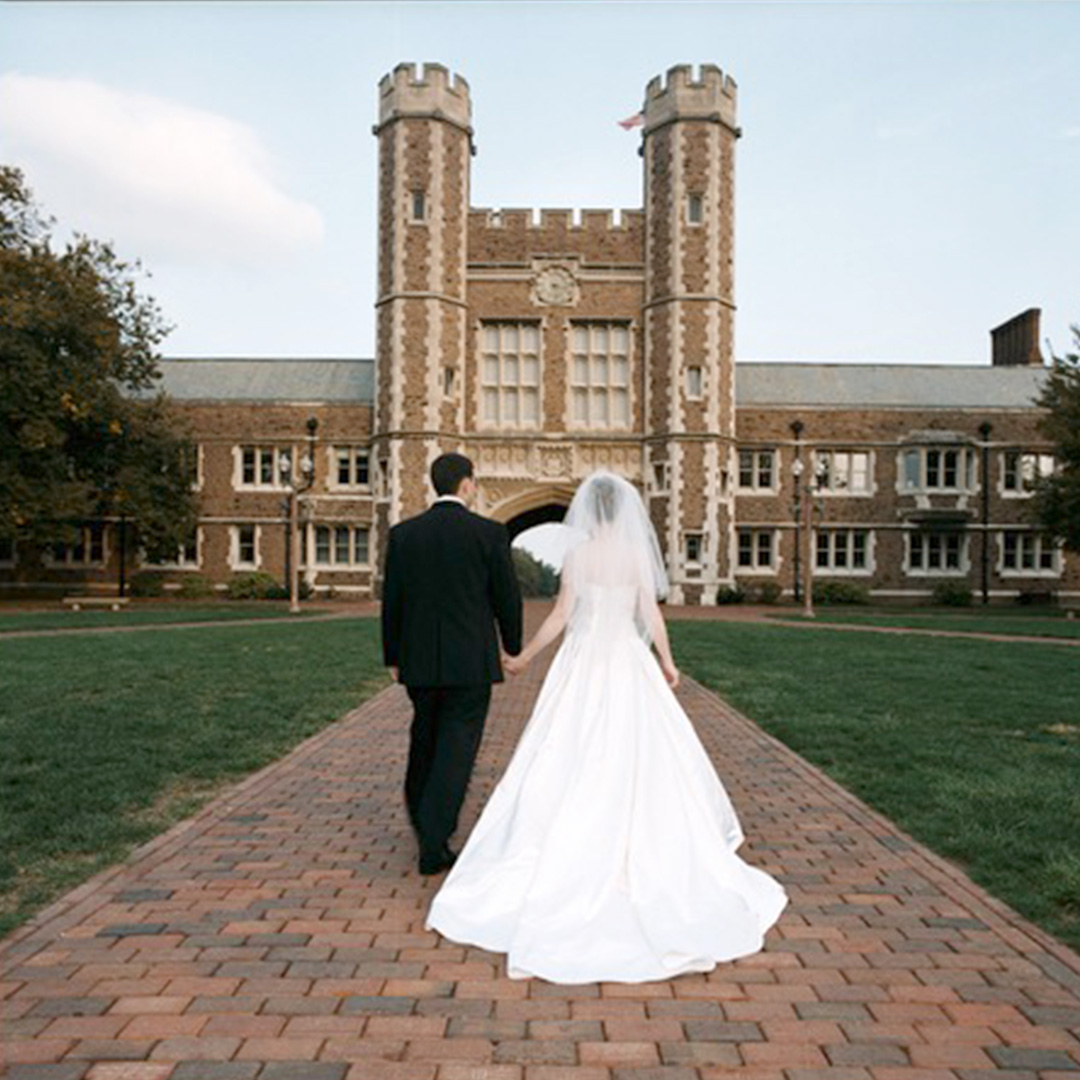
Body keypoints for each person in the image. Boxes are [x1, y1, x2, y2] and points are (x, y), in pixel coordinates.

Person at [425, 470, 788, 983]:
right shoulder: (636, 555)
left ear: (588, 513)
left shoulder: (579, 555)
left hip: (581, 664)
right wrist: (667, 661)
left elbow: (560, 616)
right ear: (625, 513)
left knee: (566, 751)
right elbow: (651, 615)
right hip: (627, 662)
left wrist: (526, 656)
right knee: (639, 753)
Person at [381, 452, 523, 875]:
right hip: (470, 662)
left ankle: (422, 812)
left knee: (424, 736)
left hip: (419, 660)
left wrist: (392, 655)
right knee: (457, 748)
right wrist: (510, 645)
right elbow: (506, 599)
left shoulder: (405, 534)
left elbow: (393, 603)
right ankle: (433, 838)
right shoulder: (489, 533)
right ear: (466, 485)